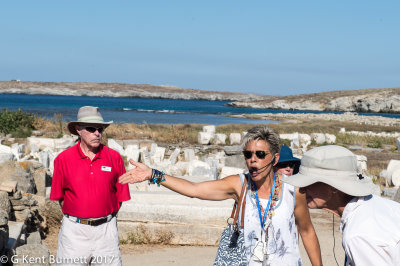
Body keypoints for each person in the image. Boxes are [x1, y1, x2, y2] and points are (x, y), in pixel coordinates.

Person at [119, 126, 322, 265]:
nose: (253, 160)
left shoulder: (293, 191)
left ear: (274, 158)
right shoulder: (238, 184)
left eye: (260, 155)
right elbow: (194, 190)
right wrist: (153, 174)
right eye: (248, 154)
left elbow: (307, 232)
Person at [282, 145, 400, 265]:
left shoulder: (358, 235)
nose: (301, 190)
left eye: (308, 183)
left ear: (332, 187)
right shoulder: (380, 206)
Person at [50, 106, 131, 266]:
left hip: (106, 232)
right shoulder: (63, 159)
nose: (97, 133)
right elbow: (60, 198)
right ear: (78, 130)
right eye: (91, 128)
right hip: (74, 233)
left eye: (100, 129)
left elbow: (120, 197)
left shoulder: (114, 158)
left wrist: (103, 217)